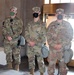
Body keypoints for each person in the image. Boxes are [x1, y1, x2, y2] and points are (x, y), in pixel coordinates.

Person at [46, 8, 73, 75]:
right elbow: (48, 36)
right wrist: (54, 45)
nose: (59, 15)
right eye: (58, 13)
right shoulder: (51, 25)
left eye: (61, 14)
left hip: (63, 50)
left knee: (63, 68)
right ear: (55, 15)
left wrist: (61, 45)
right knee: (51, 67)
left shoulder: (68, 25)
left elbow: (70, 37)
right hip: (53, 50)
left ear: (63, 15)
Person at [25, 7, 46, 75]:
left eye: (37, 12)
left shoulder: (42, 24)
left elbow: (43, 37)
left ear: (39, 13)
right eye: (34, 12)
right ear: (32, 13)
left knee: (40, 61)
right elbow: (26, 33)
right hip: (30, 45)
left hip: (38, 46)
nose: (35, 13)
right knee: (30, 60)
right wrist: (29, 41)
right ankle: (32, 72)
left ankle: (42, 73)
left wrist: (35, 42)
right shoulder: (29, 24)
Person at [2, 6, 23, 71]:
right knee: (8, 53)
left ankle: (17, 65)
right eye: (11, 10)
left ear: (16, 12)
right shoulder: (6, 19)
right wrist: (7, 36)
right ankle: (9, 65)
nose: (12, 11)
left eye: (13, 10)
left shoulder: (19, 20)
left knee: (16, 54)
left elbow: (20, 30)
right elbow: (3, 29)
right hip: (7, 40)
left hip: (15, 40)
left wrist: (12, 37)